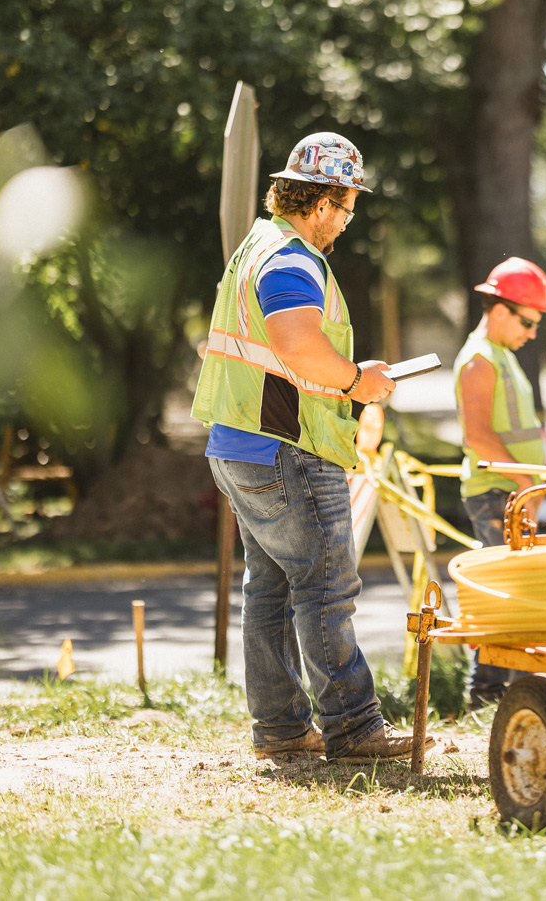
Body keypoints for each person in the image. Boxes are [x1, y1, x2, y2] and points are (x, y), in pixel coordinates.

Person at [193, 131, 430, 762]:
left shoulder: (256, 247)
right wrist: (358, 381)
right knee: (327, 585)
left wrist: (350, 371)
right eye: (348, 206)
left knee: (270, 588)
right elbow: (298, 347)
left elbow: (284, 354)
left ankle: (281, 730)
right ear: (321, 202)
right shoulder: (293, 257)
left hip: (239, 446)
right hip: (285, 450)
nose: (348, 221)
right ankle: (353, 729)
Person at [453, 256, 546, 708]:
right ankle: (490, 692)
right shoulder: (479, 362)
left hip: (509, 488)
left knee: (511, 588)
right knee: (511, 593)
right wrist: (524, 478)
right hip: (497, 492)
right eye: (527, 321)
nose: (531, 332)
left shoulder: (501, 357)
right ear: (499, 309)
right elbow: (477, 436)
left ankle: (494, 690)